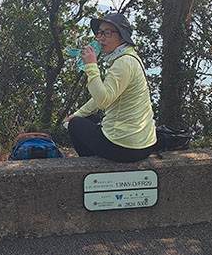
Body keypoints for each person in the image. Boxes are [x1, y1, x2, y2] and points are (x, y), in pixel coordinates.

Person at [62, 12, 157, 162]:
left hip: (125, 147)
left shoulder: (123, 63)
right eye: (99, 33)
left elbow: (103, 101)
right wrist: (79, 113)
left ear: (122, 36)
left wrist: (91, 67)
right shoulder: (129, 57)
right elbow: (105, 94)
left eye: (107, 33)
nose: (101, 38)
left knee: (75, 126)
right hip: (143, 143)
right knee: (86, 118)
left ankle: (91, 166)